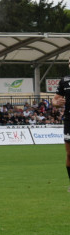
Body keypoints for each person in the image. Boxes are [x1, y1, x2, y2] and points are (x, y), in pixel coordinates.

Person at [53, 58, 70, 192]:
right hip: (69, 120)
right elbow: (55, 99)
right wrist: (56, 103)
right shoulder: (64, 81)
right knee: (69, 153)